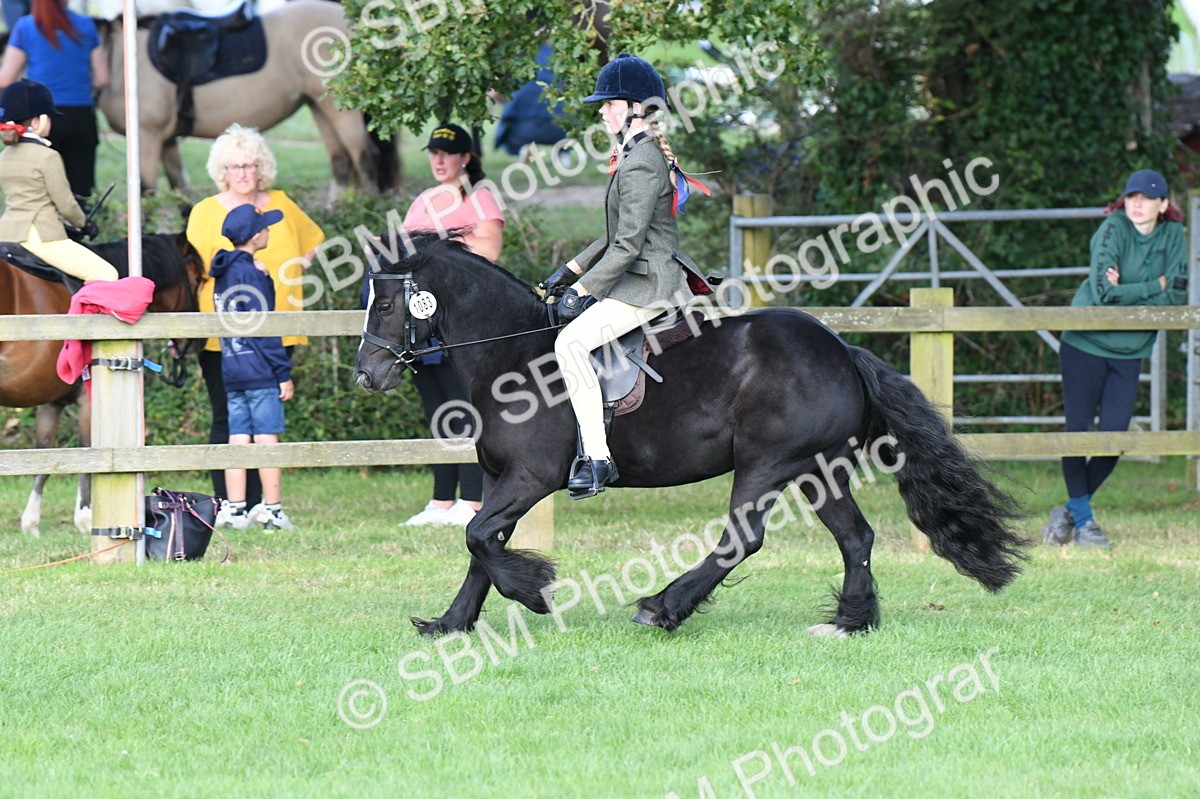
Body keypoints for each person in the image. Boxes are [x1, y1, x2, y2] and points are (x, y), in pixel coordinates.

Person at [541, 53, 710, 499]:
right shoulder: (636, 154)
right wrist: (570, 270)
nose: (601, 111)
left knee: (569, 343)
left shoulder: (641, 161)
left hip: (648, 284)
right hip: (638, 272)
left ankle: (597, 459)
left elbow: (628, 245)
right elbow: (616, 235)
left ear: (634, 107)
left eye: (608, 103)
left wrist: (582, 291)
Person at [1041, 168, 1188, 547]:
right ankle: (1086, 524)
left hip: (1130, 350)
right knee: (1077, 432)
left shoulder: (1173, 235)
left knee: (1115, 436)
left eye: (1146, 197)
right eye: (1131, 197)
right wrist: (1154, 285)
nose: (1137, 203)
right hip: (1085, 343)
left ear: (1163, 204)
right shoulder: (1112, 229)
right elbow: (1105, 293)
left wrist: (1138, 288)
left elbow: (1176, 295)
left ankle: (1070, 512)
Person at [372, 122, 504, 526]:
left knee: (464, 406)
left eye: (447, 153)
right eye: (433, 152)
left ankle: (473, 500)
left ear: (466, 157)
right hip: (424, 320)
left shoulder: (481, 197)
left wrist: (435, 245)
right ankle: (441, 499)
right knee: (436, 407)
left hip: (465, 323)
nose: (439, 160)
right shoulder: (425, 199)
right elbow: (405, 254)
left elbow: (488, 251)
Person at [187, 124, 324, 510]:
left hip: (277, 329)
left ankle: (261, 502)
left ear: (261, 166)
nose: (243, 173)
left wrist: (293, 274)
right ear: (222, 171)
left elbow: (313, 241)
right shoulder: (205, 212)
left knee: (265, 416)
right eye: (234, 167)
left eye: (249, 165)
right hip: (222, 337)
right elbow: (194, 267)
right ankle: (229, 502)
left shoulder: (281, 203)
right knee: (227, 418)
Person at [211, 204, 295, 531]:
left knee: (237, 439)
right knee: (266, 438)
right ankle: (272, 510)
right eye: (266, 227)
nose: (269, 230)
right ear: (256, 236)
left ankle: (235, 509)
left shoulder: (225, 271)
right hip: (259, 368)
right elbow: (263, 324)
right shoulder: (250, 273)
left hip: (231, 365)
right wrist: (282, 372)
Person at [0, 78, 116, 281]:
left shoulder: (4, 156)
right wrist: (84, 224)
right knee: (106, 274)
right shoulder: (47, 156)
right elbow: (66, 204)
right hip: (42, 238)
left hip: (7, 235)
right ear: (37, 122)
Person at [0, 0, 108, 199]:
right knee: (79, 192)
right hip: (80, 117)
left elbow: (5, 79)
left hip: (40, 119)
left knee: (40, 191)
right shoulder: (86, 25)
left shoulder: (26, 26)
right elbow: (102, 78)